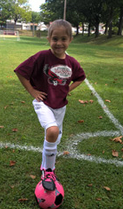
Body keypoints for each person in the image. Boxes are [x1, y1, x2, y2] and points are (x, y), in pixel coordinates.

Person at [14, 19, 86, 191]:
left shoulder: (72, 63)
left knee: (55, 137)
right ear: (48, 39)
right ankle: (48, 171)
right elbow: (21, 72)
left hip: (60, 106)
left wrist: (68, 89)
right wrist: (33, 92)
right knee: (52, 131)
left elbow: (81, 77)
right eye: (55, 39)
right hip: (43, 103)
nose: (59, 43)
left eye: (63, 39)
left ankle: (45, 164)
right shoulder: (41, 57)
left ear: (70, 40)